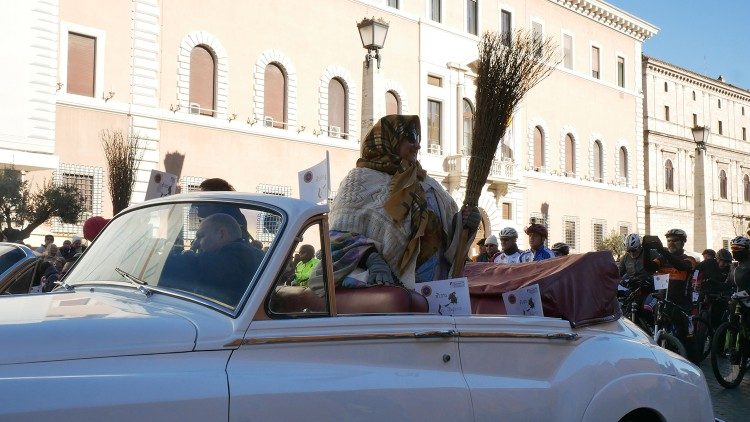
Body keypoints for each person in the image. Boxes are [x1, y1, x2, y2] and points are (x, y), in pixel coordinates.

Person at [310, 114, 480, 292]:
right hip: (386, 294)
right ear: (390, 139)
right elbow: (338, 236)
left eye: (418, 137)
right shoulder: (359, 180)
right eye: (410, 137)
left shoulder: (429, 184)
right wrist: (372, 259)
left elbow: (449, 237)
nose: (417, 144)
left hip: (437, 293)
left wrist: (465, 223)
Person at [161, 213, 264, 307]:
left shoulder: (234, 259)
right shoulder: (253, 255)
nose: (195, 244)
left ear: (221, 234)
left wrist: (156, 260)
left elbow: (190, 266)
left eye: (201, 236)